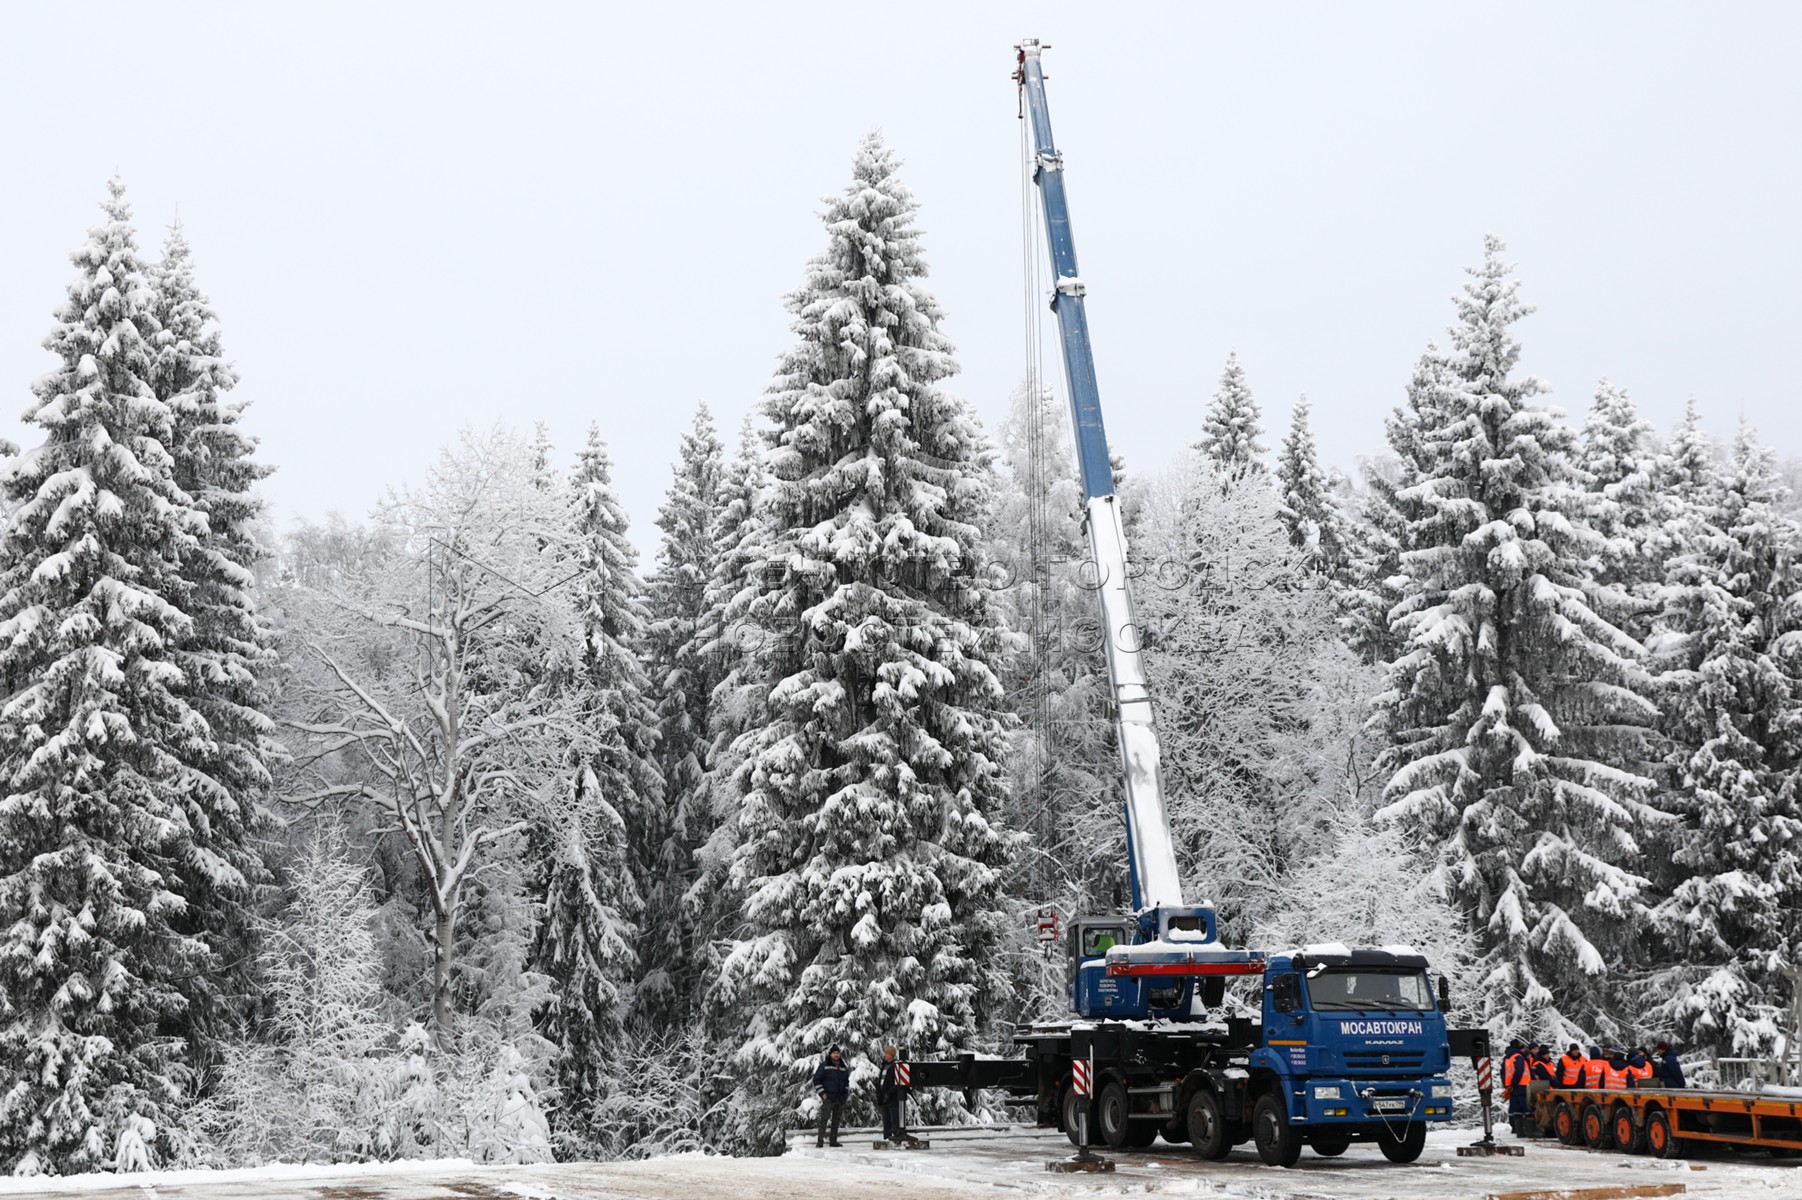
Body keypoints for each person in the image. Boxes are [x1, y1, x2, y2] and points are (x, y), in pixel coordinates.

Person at [814, 1046, 851, 1147]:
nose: (836, 1054)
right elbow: (817, 1080)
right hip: (829, 1098)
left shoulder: (843, 1066)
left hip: (840, 1098)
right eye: (834, 1053)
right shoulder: (824, 1065)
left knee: (836, 1120)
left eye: (838, 1053)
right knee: (824, 1120)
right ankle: (820, 1141)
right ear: (830, 1054)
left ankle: (833, 1141)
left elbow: (846, 1082)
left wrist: (845, 1093)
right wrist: (823, 1094)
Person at [878, 1046, 910, 1143]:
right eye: (885, 1053)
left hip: (892, 1097)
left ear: (892, 1055)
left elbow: (896, 1083)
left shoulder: (895, 1067)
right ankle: (887, 1136)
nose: (885, 1055)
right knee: (886, 1119)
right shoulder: (884, 1066)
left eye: (887, 1054)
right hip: (883, 1096)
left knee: (894, 1118)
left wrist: (889, 1093)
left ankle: (895, 1136)